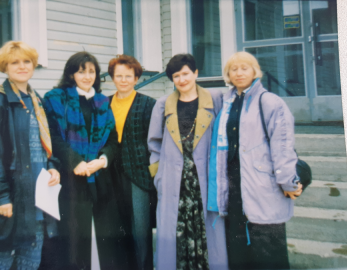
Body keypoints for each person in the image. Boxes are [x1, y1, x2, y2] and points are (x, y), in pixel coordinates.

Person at [0, 41, 61, 270]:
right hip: (11, 196)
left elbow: (47, 142)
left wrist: (53, 165)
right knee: (2, 261)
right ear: (4, 67)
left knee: (31, 259)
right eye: (14, 62)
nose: (22, 66)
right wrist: (0, 197)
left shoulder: (37, 100)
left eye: (27, 61)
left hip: (36, 195)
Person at [208, 51, 303, 270]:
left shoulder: (269, 102)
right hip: (234, 190)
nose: (239, 73)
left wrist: (289, 181)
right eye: (234, 69)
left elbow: (283, 145)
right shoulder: (226, 102)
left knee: (268, 254)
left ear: (254, 71)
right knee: (239, 255)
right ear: (228, 75)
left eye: (244, 68)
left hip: (262, 188)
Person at [40, 51, 128, 269]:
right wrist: (75, 161)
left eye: (92, 72)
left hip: (99, 179)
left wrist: (103, 160)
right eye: (81, 72)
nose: (88, 77)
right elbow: (53, 137)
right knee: (72, 240)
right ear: (71, 74)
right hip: (70, 180)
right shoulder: (55, 99)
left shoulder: (101, 101)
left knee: (102, 240)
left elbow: (112, 140)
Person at [148, 53, 228, 270]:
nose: (182, 80)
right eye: (176, 76)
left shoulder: (216, 99)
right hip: (174, 181)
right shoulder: (163, 104)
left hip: (205, 178)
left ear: (195, 73)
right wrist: (159, 177)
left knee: (207, 233)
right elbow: (154, 143)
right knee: (175, 236)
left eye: (185, 74)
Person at [107, 54, 157, 270]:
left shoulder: (149, 104)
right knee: (117, 229)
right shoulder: (104, 103)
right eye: (119, 76)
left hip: (139, 175)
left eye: (129, 76)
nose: (124, 80)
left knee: (140, 229)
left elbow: (156, 142)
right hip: (110, 175)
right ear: (113, 78)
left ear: (137, 78)